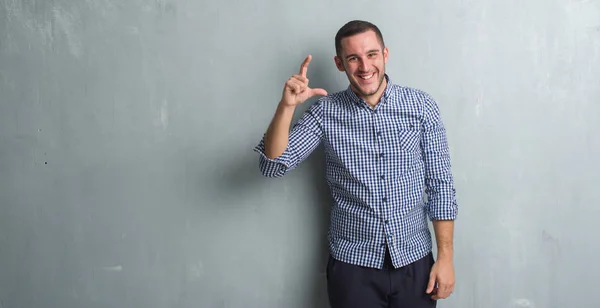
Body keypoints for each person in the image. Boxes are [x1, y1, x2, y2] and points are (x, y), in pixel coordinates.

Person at [253, 20, 458, 308]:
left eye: (371, 54)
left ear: (385, 54)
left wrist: (446, 257)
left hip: (415, 261)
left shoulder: (421, 106)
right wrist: (287, 107)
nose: (365, 66)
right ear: (340, 63)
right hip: (353, 267)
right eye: (353, 58)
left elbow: (440, 184)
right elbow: (272, 166)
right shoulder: (325, 112)